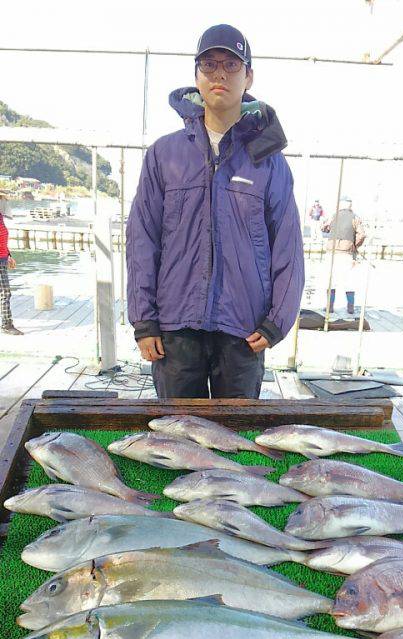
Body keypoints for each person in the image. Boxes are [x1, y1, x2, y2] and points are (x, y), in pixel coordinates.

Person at [127, 24, 304, 399]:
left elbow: (288, 247)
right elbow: (142, 237)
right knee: (175, 439)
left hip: (243, 329)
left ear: (248, 76)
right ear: (196, 77)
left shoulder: (269, 162)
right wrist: (145, 320)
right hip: (175, 328)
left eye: (231, 64)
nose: (219, 73)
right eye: (209, 65)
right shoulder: (164, 154)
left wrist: (277, 321)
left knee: (237, 441)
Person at [321, 196, 366, 316]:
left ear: (340, 205)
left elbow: (324, 228)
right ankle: (350, 308)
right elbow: (362, 235)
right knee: (349, 281)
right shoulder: (355, 217)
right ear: (350, 205)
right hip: (347, 253)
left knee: (331, 280)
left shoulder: (333, 215)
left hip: (331, 252)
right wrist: (354, 246)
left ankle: (329, 307)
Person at [0, 193, 23, 336]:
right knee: (5, 292)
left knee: (5, 292)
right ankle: (6, 324)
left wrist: (9, 256)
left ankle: (6, 324)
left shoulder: (0, 218)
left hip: (3, 258)